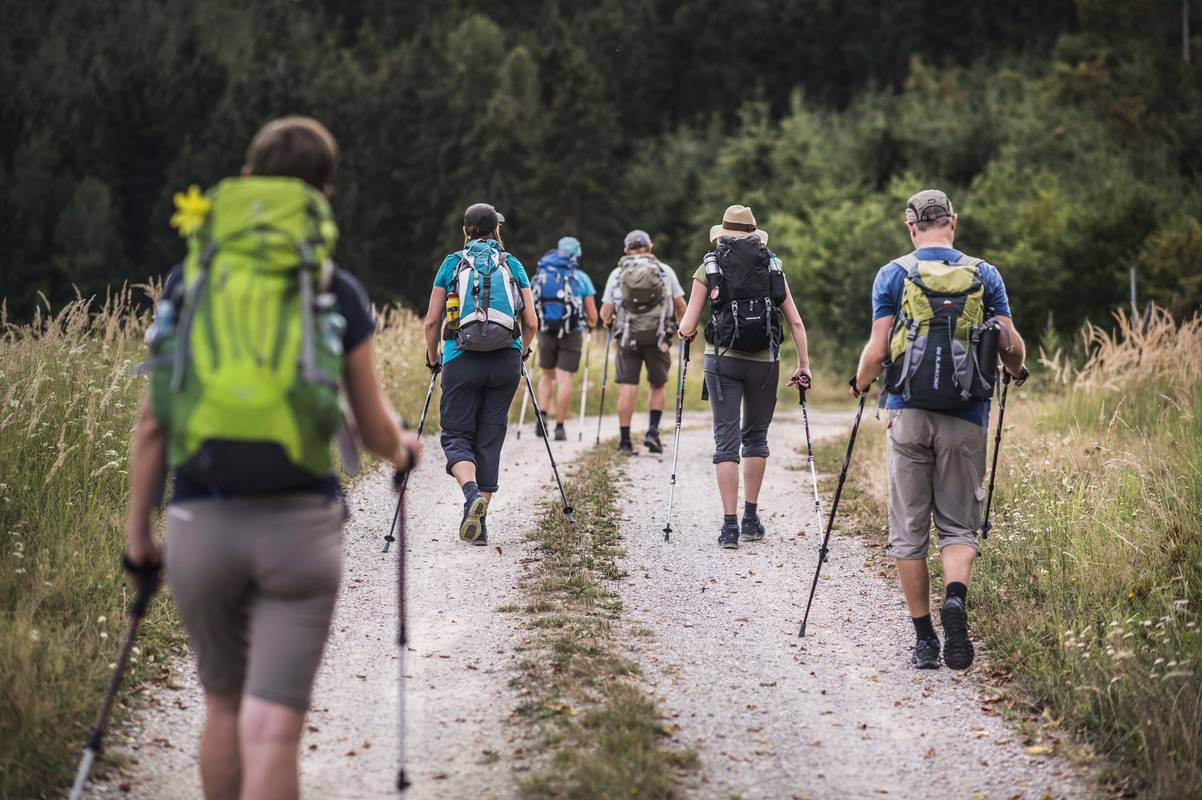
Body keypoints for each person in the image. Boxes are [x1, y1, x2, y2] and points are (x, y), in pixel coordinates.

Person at [124, 116, 421, 800]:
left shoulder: (188, 282)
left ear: (248, 179)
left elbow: (152, 425)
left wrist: (140, 536)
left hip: (201, 523)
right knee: (272, 728)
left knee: (223, 708)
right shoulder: (333, 289)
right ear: (322, 194)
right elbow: (376, 430)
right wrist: (404, 446)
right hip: (300, 527)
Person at [850, 188, 1028, 671]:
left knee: (909, 531)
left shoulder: (893, 274)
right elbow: (1011, 344)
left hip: (907, 411)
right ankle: (955, 599)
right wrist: (1015, 369)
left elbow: (877, 349)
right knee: (957, 526)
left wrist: (860, 383)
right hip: (966, 415)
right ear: (953, 221)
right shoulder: (984, 275)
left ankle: (925, 639)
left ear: (911, 228)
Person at [677, 205, 813, 549]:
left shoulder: (708, 266)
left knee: (726, 442)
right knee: (755, 437)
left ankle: (729, 526)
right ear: (755, 233)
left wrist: (684, 332)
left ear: (722, 233)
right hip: (765, 362)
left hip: (721, 362)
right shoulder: (772, 264)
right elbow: (795, 321)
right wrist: (803, 364)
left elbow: (688, 325)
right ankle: (751, 518)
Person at [424, 202, 537, 545]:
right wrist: (524, 350)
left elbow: (431, 320)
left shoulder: (452, 263)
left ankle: (471, 493)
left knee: (456, 434)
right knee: (489, 437)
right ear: (496, 230)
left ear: (466, 230)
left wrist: (434, 359)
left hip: (461, 357)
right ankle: (480, 523)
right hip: (505, 360)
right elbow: (531, 322)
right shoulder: (512, 263)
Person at [599, 229, 686, 454]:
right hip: (659, 338)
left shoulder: (617, 274)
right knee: (657, 385)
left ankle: (625, 442)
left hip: (628, 339)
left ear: (627, 250)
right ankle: (652, 433)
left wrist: (610, 324)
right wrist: (684, 330)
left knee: (628, 387)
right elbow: (680, 306)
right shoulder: (665, 272)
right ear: (650, 248)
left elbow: (605, 312)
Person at [532, 235, 598, 440]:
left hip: (545, 330)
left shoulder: (542, 274)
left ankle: (541, 417)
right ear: (576, 255)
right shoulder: (580, 278)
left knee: (546, 375)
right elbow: (592, 314)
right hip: (572, 331)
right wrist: (591, 325)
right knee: (564, 378)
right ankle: (560, 426)